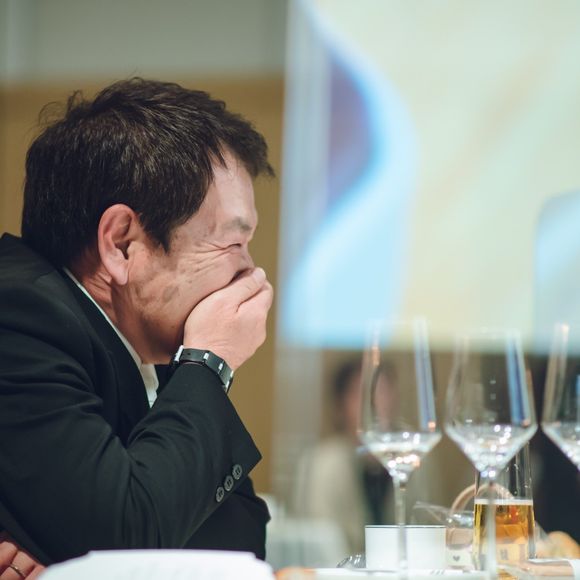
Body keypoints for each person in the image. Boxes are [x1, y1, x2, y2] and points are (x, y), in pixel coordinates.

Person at [0, 78, 274, 574]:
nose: (251, 273)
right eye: (233, 243)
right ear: (122, 244)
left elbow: (239, 540)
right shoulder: (19, 319)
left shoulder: (142, 344)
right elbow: (122, 540)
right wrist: (209, 362)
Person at [293, 359, 395, 556]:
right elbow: (319, 544)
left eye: (382, 392)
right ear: (340, 405)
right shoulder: (323, 463)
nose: (374, 403)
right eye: (360, 394)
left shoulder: (412, 461)